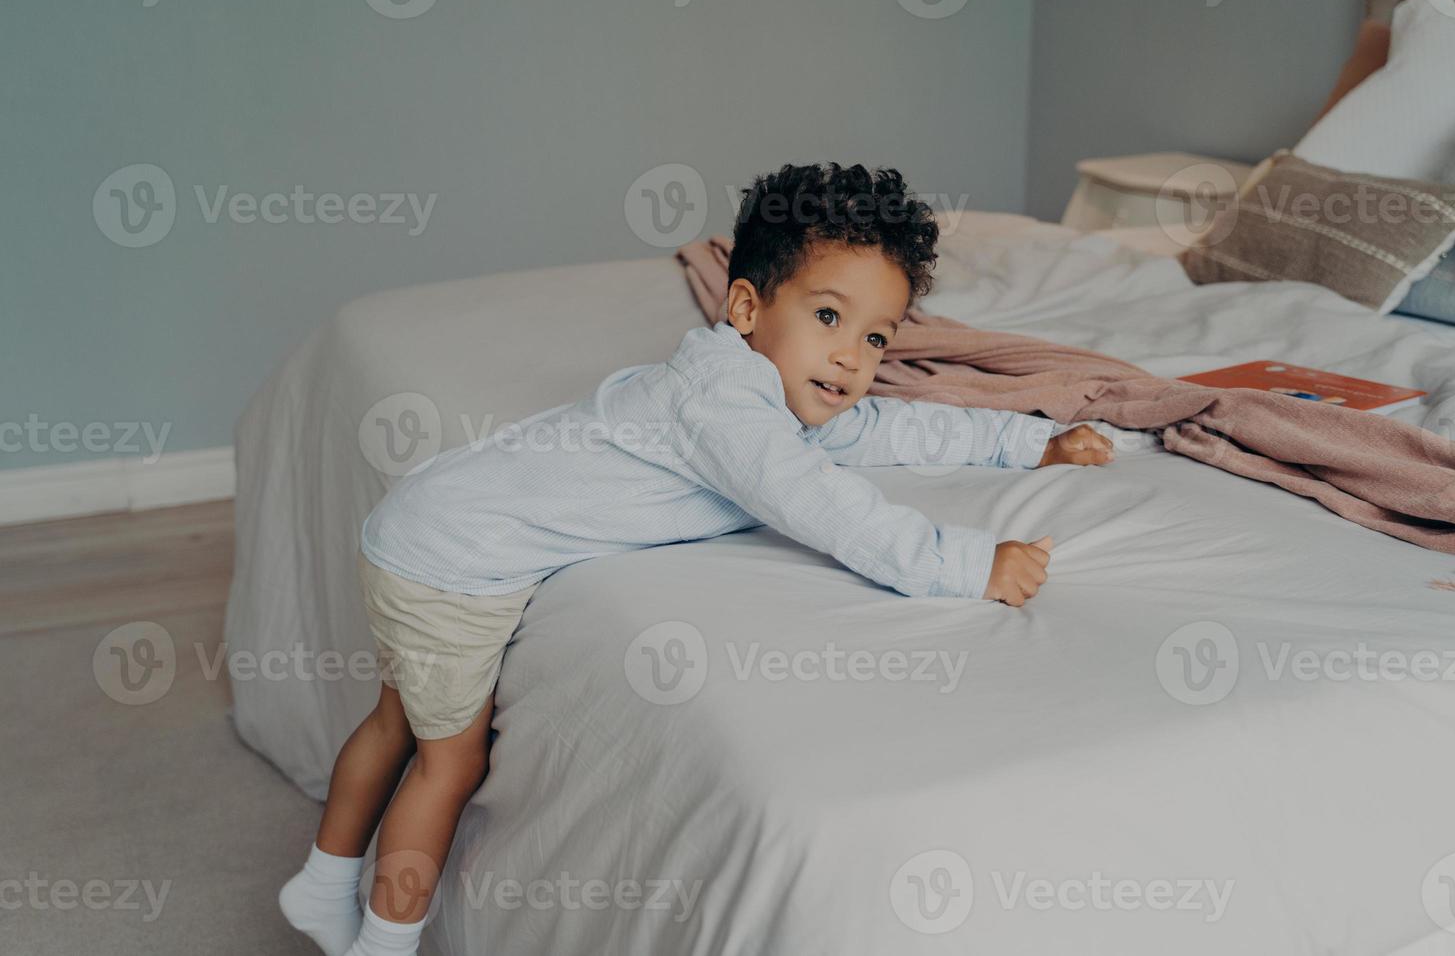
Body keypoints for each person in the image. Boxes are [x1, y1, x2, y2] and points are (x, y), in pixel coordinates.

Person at [278, 162, 1113, 956]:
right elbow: (830, 510)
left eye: (876, 337)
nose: (853, 359)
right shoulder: (728, 409)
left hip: (424, 525)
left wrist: (1031, 443)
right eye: (828, 318)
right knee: (447, 760)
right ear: (747, 307)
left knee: (395, 722)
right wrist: (973, 564)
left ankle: (321, 884)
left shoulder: (767, 383)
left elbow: (896, 426)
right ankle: (382, 943)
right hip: (452, 568)